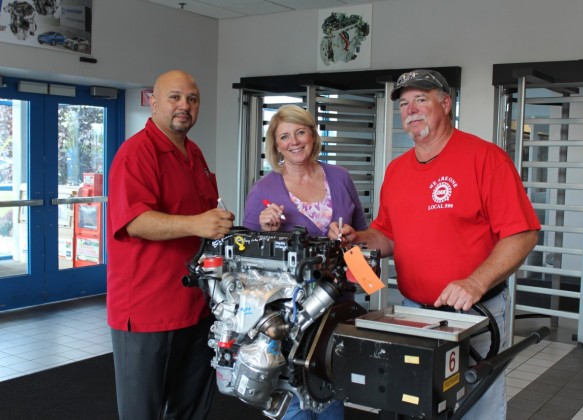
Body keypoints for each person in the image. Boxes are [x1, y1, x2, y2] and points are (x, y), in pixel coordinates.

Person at [328, 69, 540, 419]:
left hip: (475, 315)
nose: (411, 109)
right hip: (415, 313)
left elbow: (523, 233)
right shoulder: (397, 171)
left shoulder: (485, 159)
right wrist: (358, 238)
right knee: (419, 403)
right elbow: (388, 235)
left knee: (476, 405)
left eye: (421, 99)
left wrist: (475, 282)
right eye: (405, 103)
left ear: (445, 103)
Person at [106, 69, 234, 419]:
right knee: (142, 413)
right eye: (175, 97)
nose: (185, 106)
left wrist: (219, 222)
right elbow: (134, 221)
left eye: (192, 99)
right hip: (149, 311)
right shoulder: (136, 153)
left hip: (197, 307)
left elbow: (205, 215)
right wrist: (198, 223)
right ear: (153, 102)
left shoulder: (194, 153)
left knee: (190, 411)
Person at [242, 104, 368, 420]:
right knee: (293, 396)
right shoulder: (263, 190)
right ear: (275, 144)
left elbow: (362, 233)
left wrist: (366, 282)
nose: (295, 141)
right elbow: (246, 257)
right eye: (285, 136)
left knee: (331, 387)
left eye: (301, 132)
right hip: (290, 314)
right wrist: (268, 232)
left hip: (336, 307)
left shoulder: (340, 177)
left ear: (313, 134)